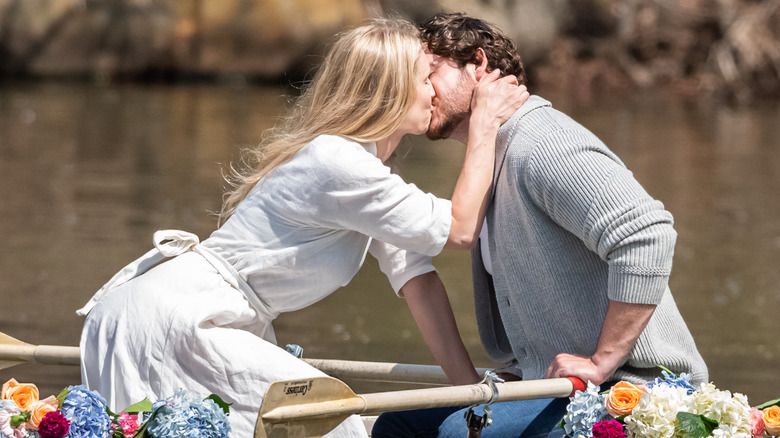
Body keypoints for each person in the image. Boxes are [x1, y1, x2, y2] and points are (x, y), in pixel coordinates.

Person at [74, 18, 528, 437]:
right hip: (174, 317)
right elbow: (461, 228)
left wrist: (474, 396)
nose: (435, 90)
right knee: (336, 424)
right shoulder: (338, 162)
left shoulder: (363, 172)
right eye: (425, 77)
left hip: (194, 317)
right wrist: (485, 124)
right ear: (390, 88)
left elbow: (419, 283)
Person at [373, 12, 708, 438]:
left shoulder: (541, 144)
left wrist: (601, 360)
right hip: (549, 384)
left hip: (635, 385)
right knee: (397, 425)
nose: (419, 91)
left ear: (477, 64)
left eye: (430, 73)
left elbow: (647, 235)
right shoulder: (492, 149)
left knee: (457, 434)